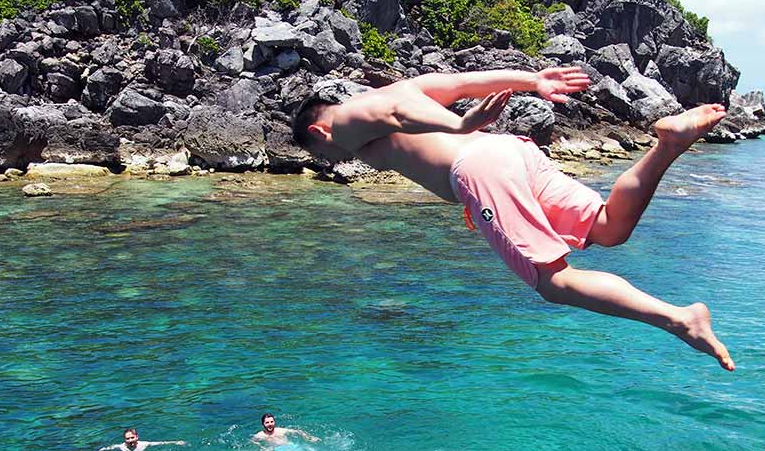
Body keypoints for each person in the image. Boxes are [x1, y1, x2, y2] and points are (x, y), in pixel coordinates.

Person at [292, 66, 734, 370]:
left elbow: (389, 115)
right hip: (508, 151)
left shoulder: (345, 121)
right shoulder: (404, 87)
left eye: (323, 153)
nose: (332, 159)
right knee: (609, 226)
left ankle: (679, 318)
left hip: (477, 168)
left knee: (554, 282)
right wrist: (533, 80)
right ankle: (668, 145)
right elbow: (465, 82)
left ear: (318, 132)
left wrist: (459, 127)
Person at [252, 412, 320, 451]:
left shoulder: (280, 430)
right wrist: (263, 448)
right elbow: (252, 441)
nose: (270, 424)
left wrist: (309, 437)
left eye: (272, 422)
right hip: (278, 449)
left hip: (290, 445)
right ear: (263, 424)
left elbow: (298, 431)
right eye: (267, 422)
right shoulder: (260, 435)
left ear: (274, 422)